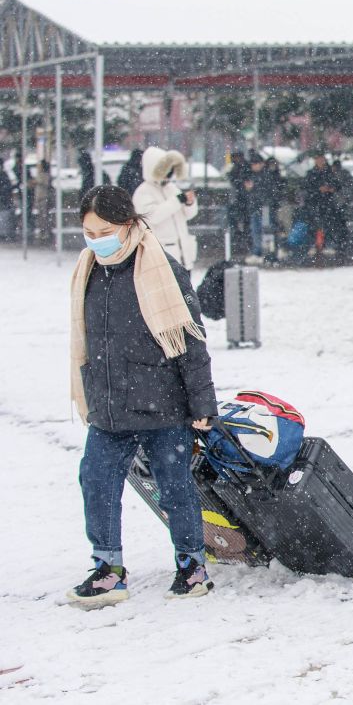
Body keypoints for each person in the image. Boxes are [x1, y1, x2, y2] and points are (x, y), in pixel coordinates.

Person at [67, 185, 218, 607]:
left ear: (129, 223)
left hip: (162, 404)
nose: (96, 239)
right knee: (95, 481)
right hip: (109, 407)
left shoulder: (161, 268)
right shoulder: (89, 269)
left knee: (174, 488)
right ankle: (108, 569)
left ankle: (192, 566)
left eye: (105, 229)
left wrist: (203, 403)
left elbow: (191, 340)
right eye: (89, 231)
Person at [132, 147, 199, 270]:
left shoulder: (172, 188)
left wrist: (189, 203)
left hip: (184, 256)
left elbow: (189, 215)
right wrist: (177, 201)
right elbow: (152, 216)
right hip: (163, 257)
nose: (169, 175)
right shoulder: (143, 192)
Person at [302, 153, 339, 258]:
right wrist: (318, 190)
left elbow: (337, 185)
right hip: (314, 203)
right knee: (314, 225)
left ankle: (328, 244)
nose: (320, 161)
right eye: (318, 159)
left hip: (328, 202)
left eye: (322, 159)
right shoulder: (311, 174)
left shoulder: (330, 173)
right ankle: (314, 245)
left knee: (329, 224)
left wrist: (331, 189)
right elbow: (307, 188)